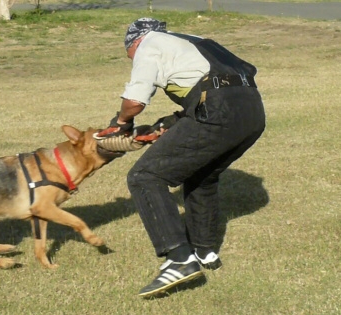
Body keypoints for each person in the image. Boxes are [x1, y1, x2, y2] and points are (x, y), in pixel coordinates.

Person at [96, 18, 266, 297]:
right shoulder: (194, 41)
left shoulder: (148, 44)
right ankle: (204, 251)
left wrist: (121, 122)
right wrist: (171, 123)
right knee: (202, 176)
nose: (133, 59)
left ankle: (179, 259)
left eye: (130, 55)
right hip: (252, 112)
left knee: (145, 176)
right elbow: (219, 85)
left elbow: (135, 101)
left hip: (218, 108)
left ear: (133, 43)